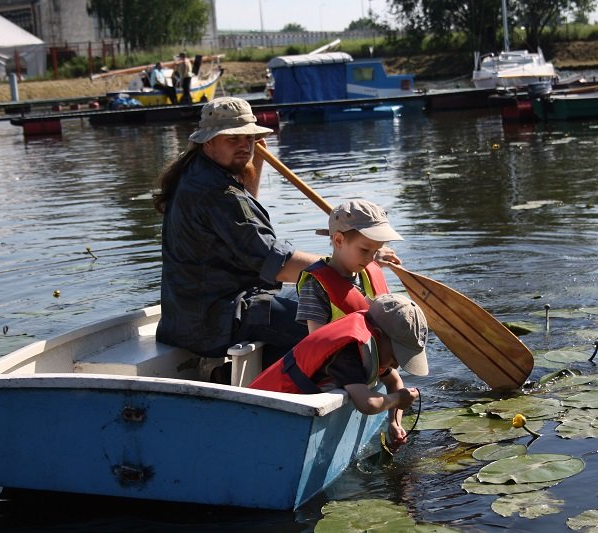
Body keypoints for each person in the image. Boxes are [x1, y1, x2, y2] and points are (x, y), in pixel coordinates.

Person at [153, 96, 320, 382]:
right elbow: (274, 261)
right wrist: (341, 265)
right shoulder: (217, 192)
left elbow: (240, 226)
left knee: (309, 297)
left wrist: (252, 161)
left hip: (193, 312)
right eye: (233, 139)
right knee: (325, 318)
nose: (244, 144)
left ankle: (228, 373)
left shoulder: (197, 171)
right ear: (209, 142)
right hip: (215, 317)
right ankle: (238, 378)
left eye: (249, 137)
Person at [250, 293, 429, 451]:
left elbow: (394, 382)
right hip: (264, 409)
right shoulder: (348, 353)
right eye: (395, 356)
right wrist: (398, 399)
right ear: (377, 334)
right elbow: (367, 403)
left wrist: (394, 422)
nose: (396, 366)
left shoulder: (375, 345)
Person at [296, 199, 402, 334]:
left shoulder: (369, 275)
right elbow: (318, 340)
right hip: (343, 354)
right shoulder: (315, 287)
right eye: (364, 250)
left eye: (375, 251)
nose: (370, 259)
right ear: (338, 240)